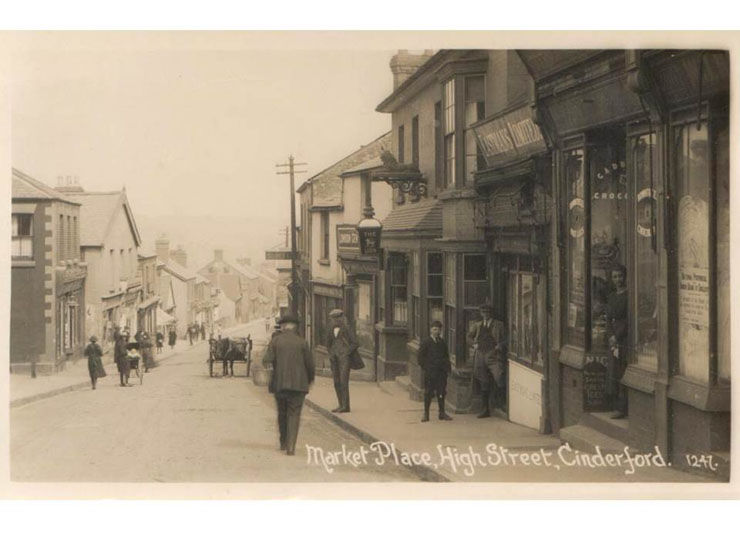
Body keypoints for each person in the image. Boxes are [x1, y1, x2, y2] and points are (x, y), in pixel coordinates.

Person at [262, 314, 315, 456]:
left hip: (280, 385)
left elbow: (266, 360)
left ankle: (283, 442)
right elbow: (310, 365)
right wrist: (309, 380)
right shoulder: (302, 342)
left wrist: (273, 372)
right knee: (294, 415)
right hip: (299, 386)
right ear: (295, 327)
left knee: (282, 413)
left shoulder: (276, 341)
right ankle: (291, 447)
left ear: (283, 327)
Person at [467, 304, 507, 418]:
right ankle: (485, 409)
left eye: (488, 312)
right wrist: (474, 344)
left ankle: (501, 404)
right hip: (480, 353)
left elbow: (507, 339)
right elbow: (469, 337)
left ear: (491, 313)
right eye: (483, 312)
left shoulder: (499, 325)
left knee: (499, 376)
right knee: (482, 379)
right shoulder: (477, 325)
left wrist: (500, 345)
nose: (485, 314)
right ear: (481, 313)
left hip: (493, 354)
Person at [418, 321, 453, 422]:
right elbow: (420, 358)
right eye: (435, 329)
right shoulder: (426, 342)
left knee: (441, 392)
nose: (437, 332)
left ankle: (442, 413)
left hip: (441, 373)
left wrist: (447, 369)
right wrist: (427, 368)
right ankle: (426, 413)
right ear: (431, 330)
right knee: (428, 392)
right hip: (430, 373)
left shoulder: (442, 342)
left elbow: (446, 356)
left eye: (439, 330)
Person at [606, 264, 629, 419]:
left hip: (624, 337)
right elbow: (608, 318)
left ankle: (622, 407)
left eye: (620, 276)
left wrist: (618, 336)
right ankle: (615, 404)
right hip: (613, 337)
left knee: (622, 370)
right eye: (614, 277)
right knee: (614, 371)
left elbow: (629, 319)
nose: (617, 280)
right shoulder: (612, 296)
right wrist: (610, 336)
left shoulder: (628, 296)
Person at [326, 308, 359, 413]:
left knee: (343, 382)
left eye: (336, 319)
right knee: (336, 382)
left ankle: (346, 406)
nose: (334, 321)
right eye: (333, 319)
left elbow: (355, 343)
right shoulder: (330, 328)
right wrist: (331, 353)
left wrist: (346, 352)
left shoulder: (347, 328)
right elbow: (328, 343)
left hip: (345, 359)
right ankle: (340, 404)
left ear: (340, 318)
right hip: (334, 359)